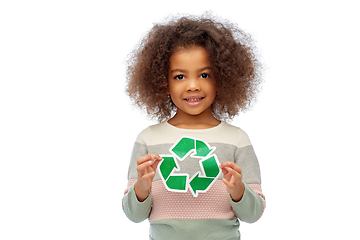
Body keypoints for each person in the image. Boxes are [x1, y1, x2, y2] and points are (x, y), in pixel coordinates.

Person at [122, 13, 265, 240]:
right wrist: (141, 186)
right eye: (179, 76)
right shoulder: (148, 139)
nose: (192, 86)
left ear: (223, 77)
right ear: (161, 81)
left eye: (205, 74)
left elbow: (253, 213)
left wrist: (239, 191)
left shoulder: (237, 140)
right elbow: (133, 215)